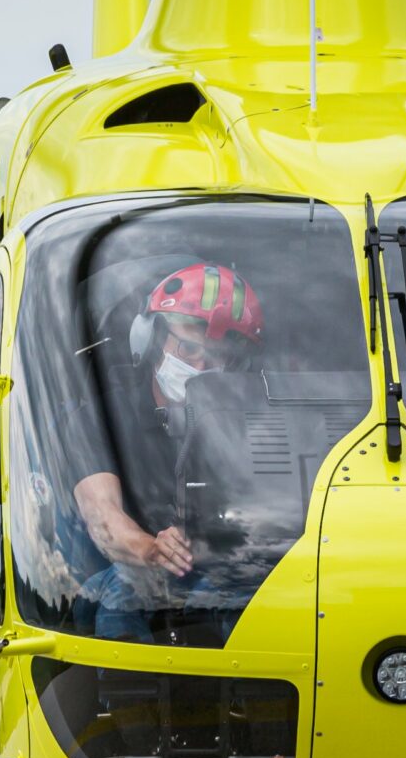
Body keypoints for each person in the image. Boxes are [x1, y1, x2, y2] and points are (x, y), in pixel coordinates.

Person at [71, 262, 263, 638]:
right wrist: (152, 550)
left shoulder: (251, 423)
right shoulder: (104, 415)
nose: (199, 366)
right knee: (121, 597)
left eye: (215, 357)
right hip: (133, 573)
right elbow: (102, 515)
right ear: (151, 339)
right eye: (188, 348)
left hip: (225, 569)